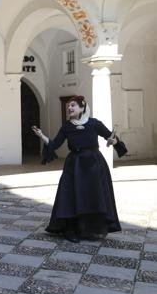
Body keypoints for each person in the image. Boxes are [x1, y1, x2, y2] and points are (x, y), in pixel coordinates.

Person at [32, 95, 127, 243]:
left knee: (93, 196)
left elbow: (111, 137)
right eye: (68, 106)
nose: (69, 108)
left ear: (82, 107)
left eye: (73, 105)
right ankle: (70, 230)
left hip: (94, 164)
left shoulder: (94, 123)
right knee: (69, 195)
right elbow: (55, 144)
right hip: (74, 164)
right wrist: (41, 135)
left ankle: (88, 228)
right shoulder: (67, 126)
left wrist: (114, 141)